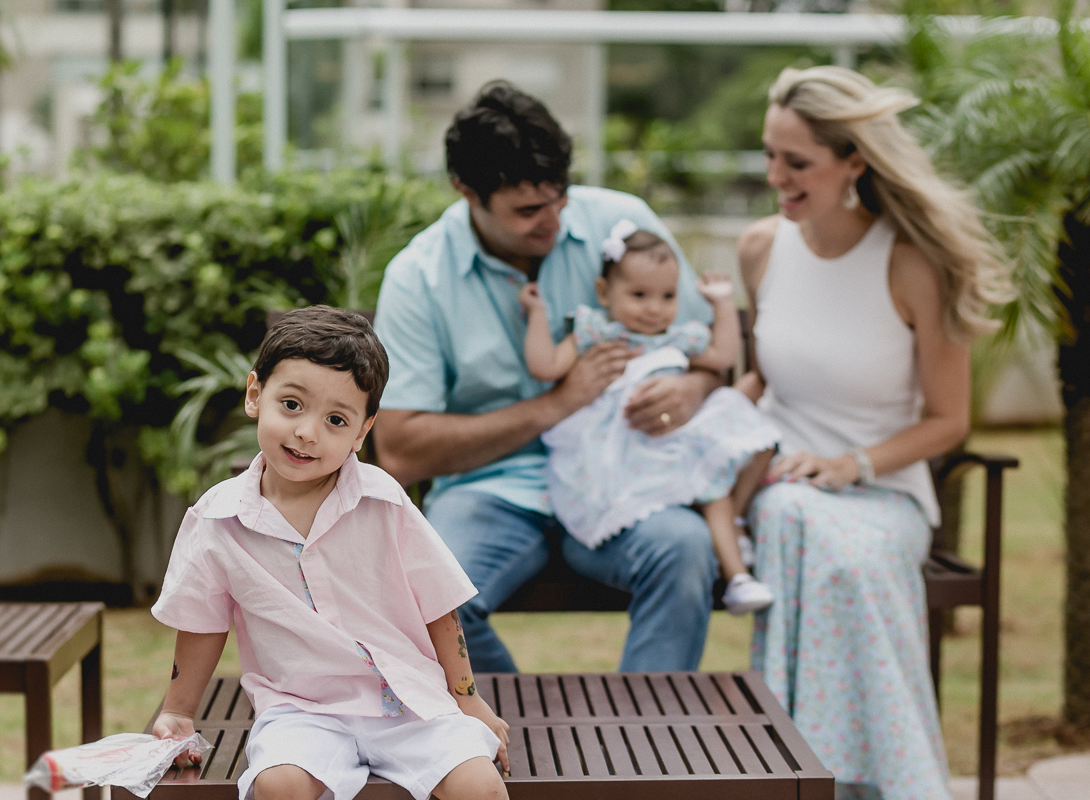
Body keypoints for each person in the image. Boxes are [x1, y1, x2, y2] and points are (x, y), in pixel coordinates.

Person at [372, 81, 722, 673]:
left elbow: (711, 357)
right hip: (492, 492)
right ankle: (515, 745)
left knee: (686, 549)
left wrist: (693, 388)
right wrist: (557, 403)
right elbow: (401, 450)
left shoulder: (624, 224)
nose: (554, 222)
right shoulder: (417, 277)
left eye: (559, 198)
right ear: (466, 192)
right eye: (529, 211)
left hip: (623, 479)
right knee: (422, 595)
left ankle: (644, 749)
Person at [736, 66, 1011, 800]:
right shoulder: (763, 248)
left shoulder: (914, 264)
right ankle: (831, 777)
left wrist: (850, 464)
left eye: (797, 163)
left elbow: (949, 421)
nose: (776, 176)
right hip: (781, 479)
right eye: (770, 155)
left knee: (848, 560)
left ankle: (859, 776)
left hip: (883, 492)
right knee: (796, 518)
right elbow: (761, 375)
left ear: (854, 161)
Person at [149, 306, 510, 800]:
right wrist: (178, 711)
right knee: (278, 787)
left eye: (336, 420)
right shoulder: (218, 520)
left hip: (409, 705)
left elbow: (438, 604)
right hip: (301, 710)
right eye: (292, 405)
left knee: (480, 785)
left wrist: (468, 701)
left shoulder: (383, 502)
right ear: (255, 394)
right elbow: (200, 620)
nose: (307, 432)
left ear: (362, 432)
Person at [518, 220, 779, 615]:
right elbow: (545, 366)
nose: (655, 308)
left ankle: (737, 556)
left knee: (749, 434)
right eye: (639, 295)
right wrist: (537, 314)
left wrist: (723, 305)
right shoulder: (596, 333)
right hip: (619, 448)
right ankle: (737, 566)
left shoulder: (676, 337)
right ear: (605, 293)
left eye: (668, 295)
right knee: (708, 490)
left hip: (672, 439)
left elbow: (724, 358)